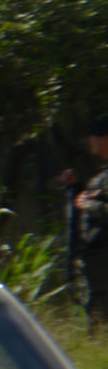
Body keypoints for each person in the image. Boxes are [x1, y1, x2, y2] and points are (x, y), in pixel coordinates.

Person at [77, 114, 108, 323]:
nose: (90, 140)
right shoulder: (102, 176)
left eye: (95, 135)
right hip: (98, 271)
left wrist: (91, 205)